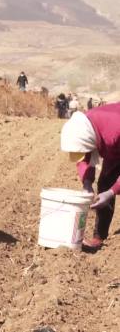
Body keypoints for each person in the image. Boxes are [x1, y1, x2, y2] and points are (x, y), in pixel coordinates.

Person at [60, 103, 120, 250]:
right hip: (114, 145)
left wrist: (113, 191)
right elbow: (84, 156)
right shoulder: (84, 127)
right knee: (105, 183)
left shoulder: (114, 131)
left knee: (110, 189)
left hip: (116, 137)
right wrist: (87, 183)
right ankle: (99, 236)